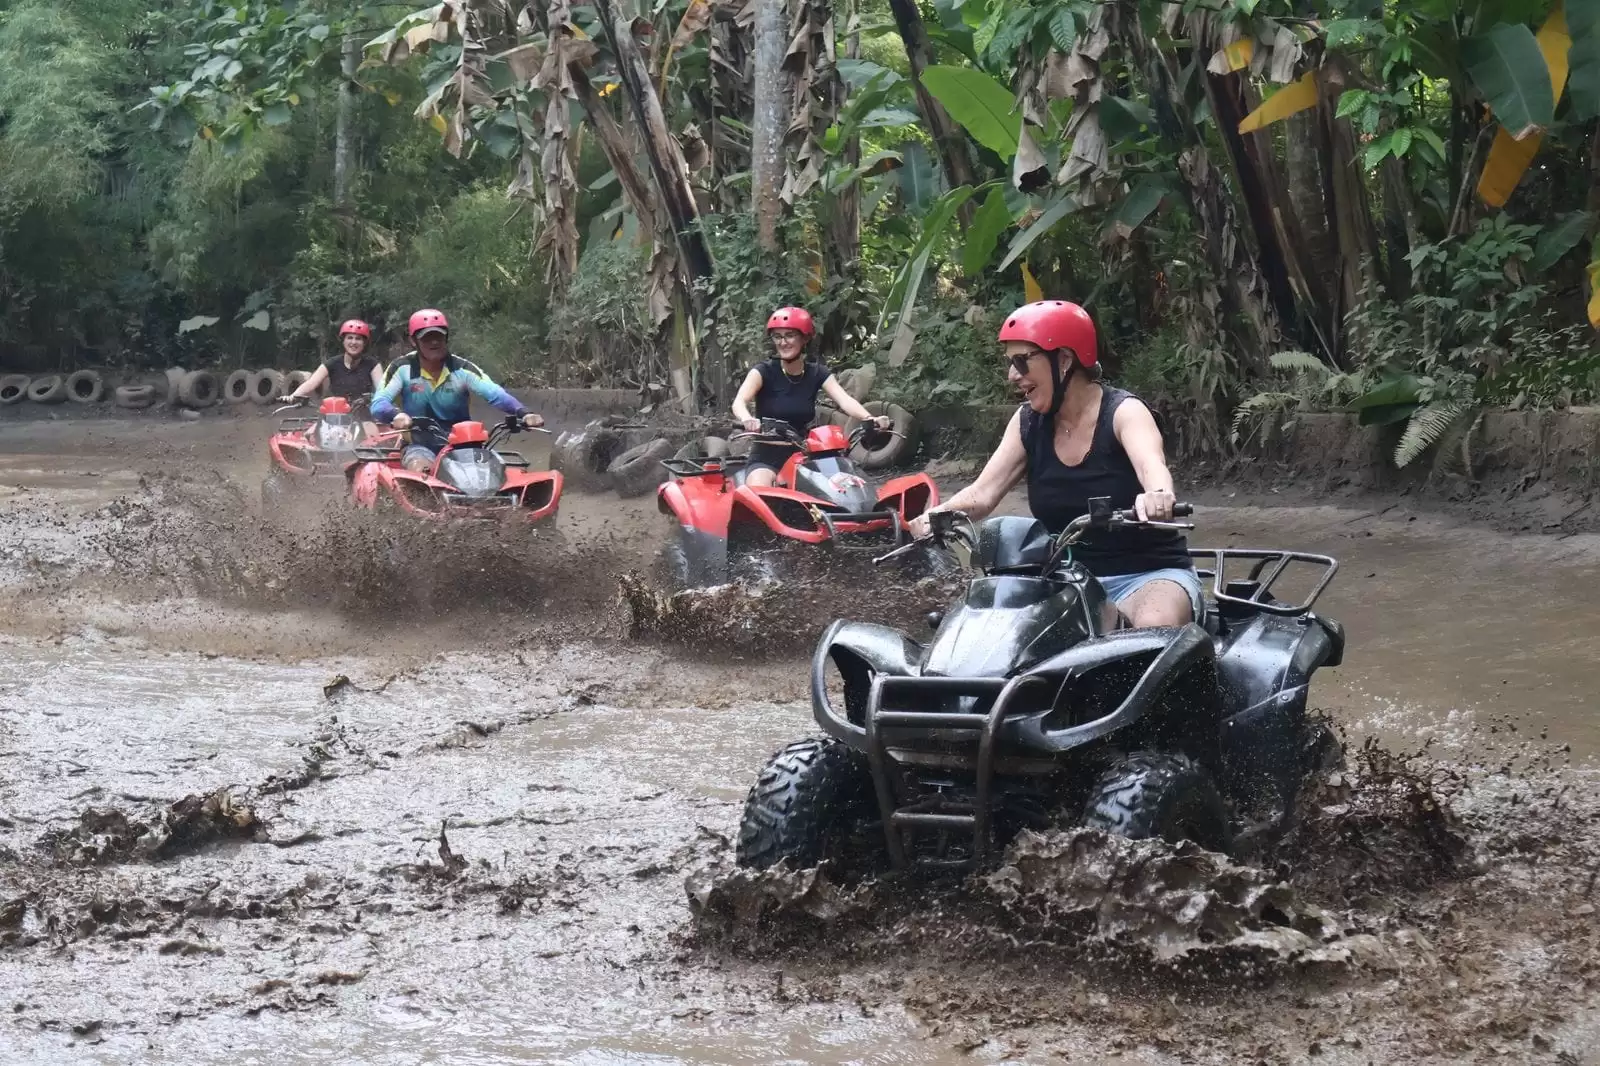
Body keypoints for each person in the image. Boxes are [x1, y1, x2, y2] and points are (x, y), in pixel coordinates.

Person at [908, 300, 1200, 628]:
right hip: (1065, 582)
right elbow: (982, 494)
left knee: (1152, 628)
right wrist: (938, 515)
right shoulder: (1028, 423)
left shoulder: (1123, 412)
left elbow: (1152, 465)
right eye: (1010, 363)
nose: (1012, 375)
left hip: (1146, 577)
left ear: (1063, 360)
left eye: (1022, 361)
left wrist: (1158, 495)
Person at [730, 306, 892, 488]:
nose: (783, 342)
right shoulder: (764, 371)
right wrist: (747, 419)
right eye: (777, 336)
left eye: (790, 335)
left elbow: (844, 400)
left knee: (839, 489)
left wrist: (869, 418)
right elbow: (739, 402)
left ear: (805, 338)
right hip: (766, 455)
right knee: (759, 492)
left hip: (804, 454)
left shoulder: (816, 372)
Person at [371, 308, 544, 472]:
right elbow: (378, 404)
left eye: (439, 336)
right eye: (426, 338)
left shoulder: (462, 368)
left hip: (464, 444)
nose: (434, 342)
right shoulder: (402, 368)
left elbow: (495, 394)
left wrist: (524, 412)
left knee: (497, 472)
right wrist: (396, 415)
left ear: (446, 337)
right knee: (420, 469)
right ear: (413, 340)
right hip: (419, 445)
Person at [281, 319, 384, 436]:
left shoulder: (372, 364)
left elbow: (382, 389)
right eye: (350, 338)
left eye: (358, 339)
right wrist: (293, 396)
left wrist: (381, 401)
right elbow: (311, 383)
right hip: (332, 416)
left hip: (363, 417)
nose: (353, 342)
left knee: (374, 439)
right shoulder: (332, 363)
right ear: (343, 341)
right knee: (308, 437)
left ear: (364, 343)